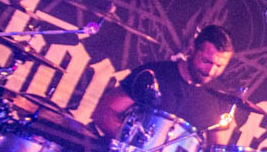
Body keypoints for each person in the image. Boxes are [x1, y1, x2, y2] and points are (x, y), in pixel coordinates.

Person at [93, 23, 237, 139]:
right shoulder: (154, 74)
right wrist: (131, 142)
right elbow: (105, 112)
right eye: (206, 61)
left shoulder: (219, 96)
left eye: (219, 66)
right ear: (192, 48)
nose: (210, 71)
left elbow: (216, 151)